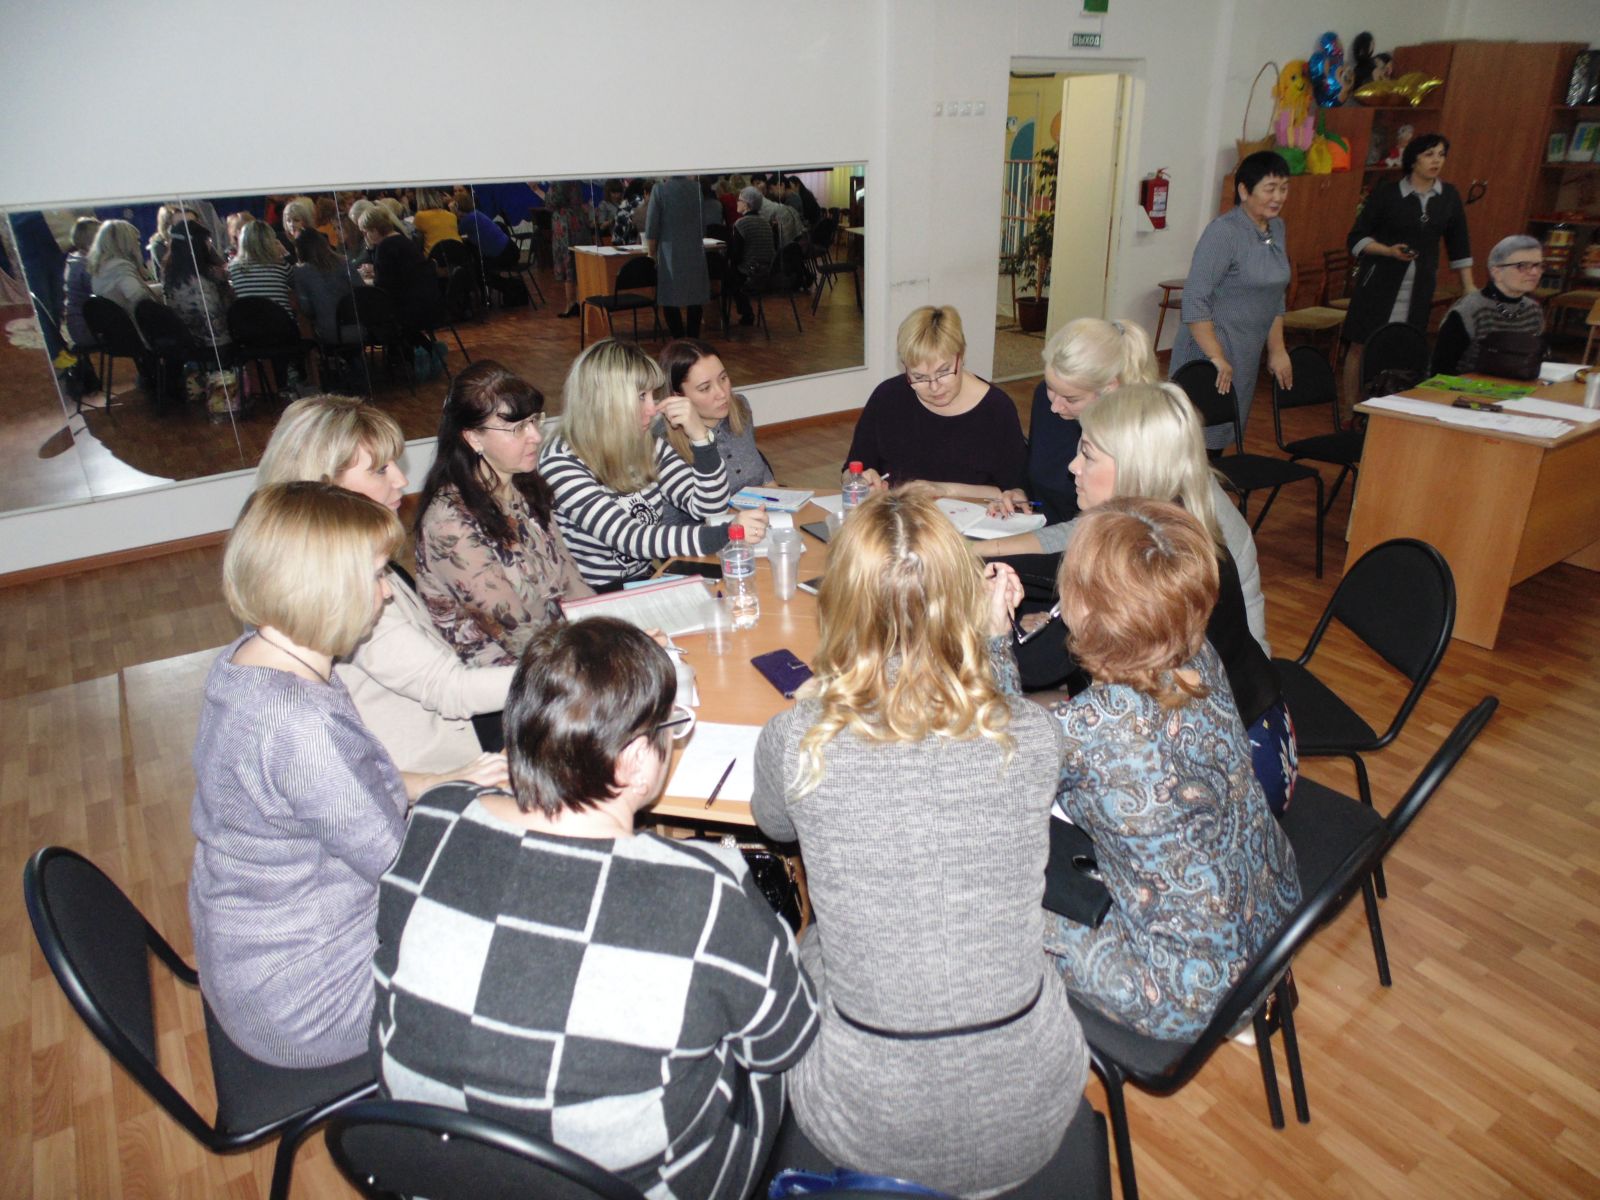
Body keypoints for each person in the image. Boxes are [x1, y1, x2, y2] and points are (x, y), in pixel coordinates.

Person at [373, 618, 818, 1200]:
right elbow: (784, 1041)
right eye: (670, 729)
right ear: (633, 761)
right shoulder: (706, 888)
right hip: (629, 1187)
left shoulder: (436, 814)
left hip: (436, 1169)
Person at [752, 488, 1089, 1198]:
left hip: (864, 1121)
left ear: (840, 606)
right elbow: (975, 744)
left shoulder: (800, 738)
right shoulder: (1032, 734)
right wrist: (993, 646)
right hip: (1031, 1105)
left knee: (803, 944)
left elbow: (775, 827)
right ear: (963, 601)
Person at [188, 482, 495, 1069]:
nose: (388, 591)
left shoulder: (251, 661)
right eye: (378, 575)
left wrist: (442, 781)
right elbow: (403, 869)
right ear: (324, 585)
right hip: (314, 1000)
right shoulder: (298, 723)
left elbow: (342, 787)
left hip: (255, 957)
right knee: (532, 939)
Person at [1043, 498, 1301, 1040]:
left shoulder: (1083, 730)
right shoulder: (1199, 656)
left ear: (1085, 609)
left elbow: (986, 775)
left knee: (980, 906)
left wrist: (995, 646)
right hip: (1276, 921)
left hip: (1184, 990)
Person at [256, 396, 517, 774]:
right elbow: (450, 689)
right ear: (325, 486)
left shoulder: (336, 557)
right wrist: (564, 674)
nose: (401, 480)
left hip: (451, 723)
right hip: (442, 758)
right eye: (380, 470)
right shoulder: (342, 588)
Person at [541, 339, 766, 589]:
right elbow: (631, 538)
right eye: (641, 396)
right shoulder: (560, 462)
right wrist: (726, 532)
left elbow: (709, 508)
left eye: (651, 395)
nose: (653, 408)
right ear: (605, 401)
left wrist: (701, 439)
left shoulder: (646, 443)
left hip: (644, 580)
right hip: (595, 593)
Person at [414, 361, 593, 665]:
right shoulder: (450, 524)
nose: (535, 435)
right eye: (518, 428)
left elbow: (570, 579)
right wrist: (601, 655)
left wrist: (612, 632)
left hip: (556, 649)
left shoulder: (524, 487)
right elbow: (518, 633)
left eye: (534, 420)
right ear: (473, 438)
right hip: (502, 676)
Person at [1168, 150, 1294, 449]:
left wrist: (1277, 349)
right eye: (1270, 188)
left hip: (1244, 352)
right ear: (1244, 190)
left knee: (1224, 433)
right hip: (1208, 351)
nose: (1278, 197)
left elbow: (1275, 296)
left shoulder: (1277, 228)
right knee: (1195, 440)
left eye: (1284, 188)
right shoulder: (1223, 232)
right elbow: (1194, 299)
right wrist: (1215, 356)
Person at [845, 305, 1028, 503]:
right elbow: (850, 471)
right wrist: (860, 481)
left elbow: (1015, 493)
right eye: (919, 377)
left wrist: (943, 490)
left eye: (944, 372)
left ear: (961, 356)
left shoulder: (996, 409)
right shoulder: (887, 397)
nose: (934, 387)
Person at [1342, 132, 1473, 407]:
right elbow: (1356, 238)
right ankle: (1351, 409)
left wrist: (1468, 286)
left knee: (1406, 347)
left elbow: (1459, 243)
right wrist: (1387, 251)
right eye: (1429, 155)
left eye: (1441, 155)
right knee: (1361, 345)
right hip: (1378, 283)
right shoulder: (1387, 193)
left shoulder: (1448, 196)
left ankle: (1391, 407)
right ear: (1413, 159)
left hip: (1419, 287)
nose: (1436, 161)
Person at [1023, 317, 1158, 524]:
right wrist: (1020, 494)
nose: (1055, 406)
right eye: (1051, 387)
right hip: (1043, 527)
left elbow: (1117, 523)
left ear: (1109, 389)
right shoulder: (1045, 398)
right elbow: (1038, 478)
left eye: (1071, 399)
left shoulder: (1136, 433)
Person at [656, 338, 774, 524]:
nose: (721, 393)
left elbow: (763, 476)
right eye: (705, 388)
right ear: (677, 397)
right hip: (702, 536)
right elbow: (689, 521)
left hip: (756, 523)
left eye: (723, 378)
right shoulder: (662, 443)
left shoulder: (739, 408)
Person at [1431, 234, 1545, 376]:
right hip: (1465, 385)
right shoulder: (1469, 310)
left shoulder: (1533, 310)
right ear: (1496, 272)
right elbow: (1441, 369)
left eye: (1538, 265)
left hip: (1519, 384)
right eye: (1522, 266)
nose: (1534, 272)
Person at [358, 204, 445, 335]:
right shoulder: (403, 240)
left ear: (374, 230)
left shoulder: (385, 247)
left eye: (365, 232)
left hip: (409, 310)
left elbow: (382, 286)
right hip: (429, 303)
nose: (365, 236)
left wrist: (367, 282)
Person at [645, 174, 712, 338]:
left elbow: (652, 227)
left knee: (669, 298)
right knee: (695, 297)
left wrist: (651, 253)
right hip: (694, 250)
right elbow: (703, 224)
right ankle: (693, 338)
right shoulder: (696, 188)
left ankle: (678, 338)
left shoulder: (659, 190)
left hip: (669, 252)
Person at [162, 219, 233, 359]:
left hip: (187, 345)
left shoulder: (167, 274)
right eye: (208, 241)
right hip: (217, 345)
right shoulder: (212, 273)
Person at [292, 226, 355, 351]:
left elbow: (306, 308)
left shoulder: (301, 272)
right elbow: (362, 292)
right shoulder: (344, 263)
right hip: (356, 328)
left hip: (327, 332)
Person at [88, 219, 159, 324]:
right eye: (136, 241)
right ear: (126, 243)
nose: (138, 244)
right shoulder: (119, 267)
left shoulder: (100, 268)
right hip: (137, 325)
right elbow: (139, 297)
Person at [727, 187, 777, 325]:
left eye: (740, 200)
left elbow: (736, 256)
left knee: (728, 275)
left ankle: (737, 314)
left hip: (749, 273)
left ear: (747, 204)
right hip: (767, 272)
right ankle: (745, 312)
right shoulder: (765, 223)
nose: (737, 202)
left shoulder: (741, 224)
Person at [226, 219, 297, 317]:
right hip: (281, 322)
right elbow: (297, 284)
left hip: (247, 323)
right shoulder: (281, 265)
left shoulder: (233, 268)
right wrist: (285, 253)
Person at [61, 216, 102, 350]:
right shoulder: (84, 265)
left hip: (77, 324)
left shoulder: (74, 258)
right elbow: (101, 293)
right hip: (85, 330)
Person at [412, 188, 461, 255]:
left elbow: (416, 242)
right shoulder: (452, 216)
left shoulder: (420, 216)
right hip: (459, 254)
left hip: (435, 257)